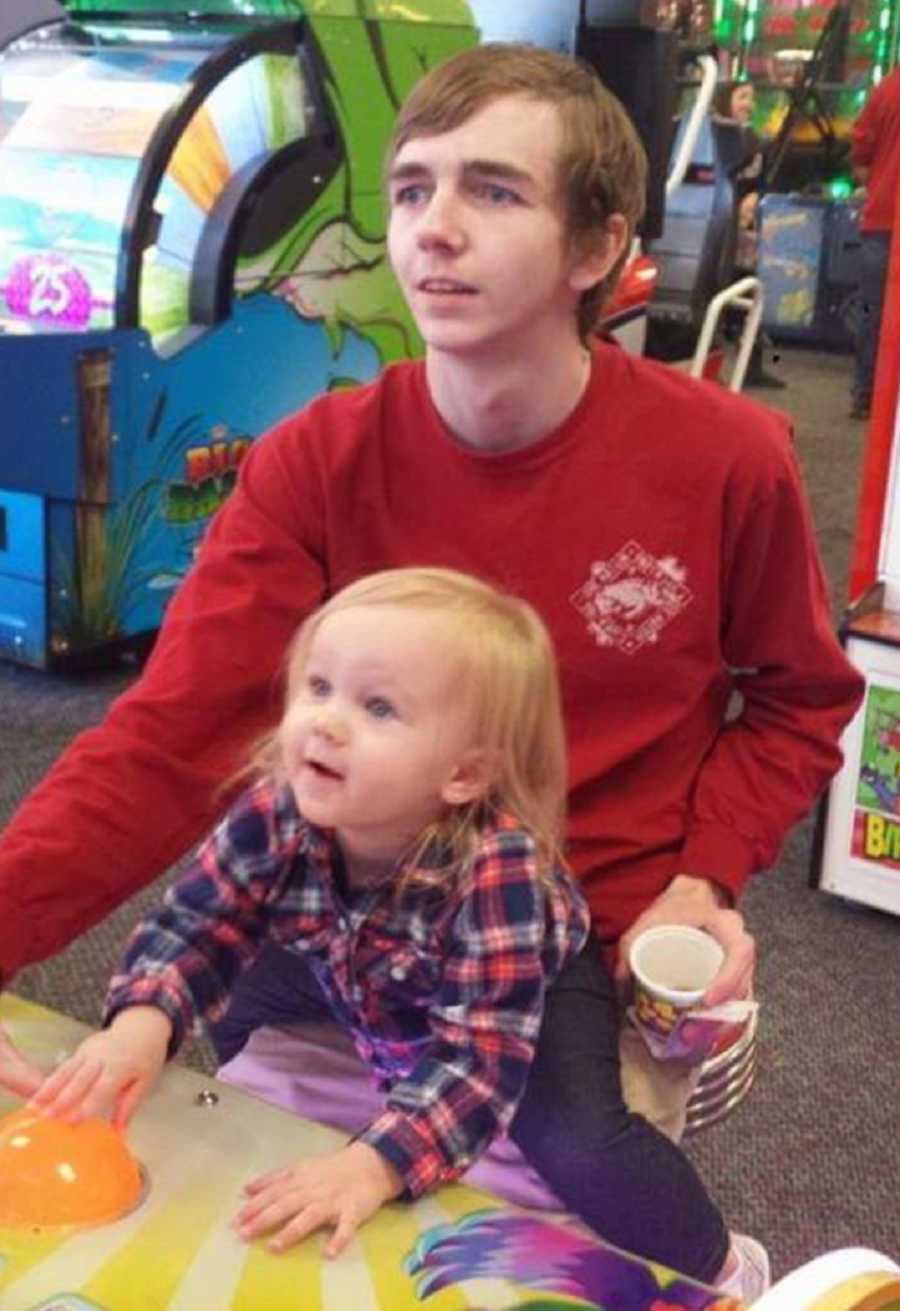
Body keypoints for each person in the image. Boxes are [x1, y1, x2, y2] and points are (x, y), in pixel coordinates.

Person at [0, 41, 863, 1298]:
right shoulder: (317, 459)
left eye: (493, 192)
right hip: (347, 906)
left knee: (575, 1183)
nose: (434, 230)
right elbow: (169, 739)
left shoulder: (730, 457)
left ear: (598, 251)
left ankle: (724, 1270)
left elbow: (797, 700)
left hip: (573, 932)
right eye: (411, 190)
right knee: (202, 1138)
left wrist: (704, 880)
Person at [28, 567, 592, 1256]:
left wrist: (374, 1164)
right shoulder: (283, 803)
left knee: (582, 1155)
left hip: (522, 989)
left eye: (378, 707)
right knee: (250, 1062)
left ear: (464, 774)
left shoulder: (500, 873)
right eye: (319, 687)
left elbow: (478, 1060)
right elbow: (198, 924)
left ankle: (721, 1264)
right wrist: (140, 1024)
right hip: (364, 963)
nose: (326, 720)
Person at [712, 78, 786, 389]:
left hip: (743, 231)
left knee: (746, 292)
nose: (749, 104)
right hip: (715, 226)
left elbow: (760, 181)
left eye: (751, 98)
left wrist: (756, 196)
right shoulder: (710, 136)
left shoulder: (753, 140)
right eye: (742, 97)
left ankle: (752, 364)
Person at [850, 66, 900, 421]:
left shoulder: (886, 90)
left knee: (872, 313)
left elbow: (861, 154)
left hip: (882, 219)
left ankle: (866, 392)